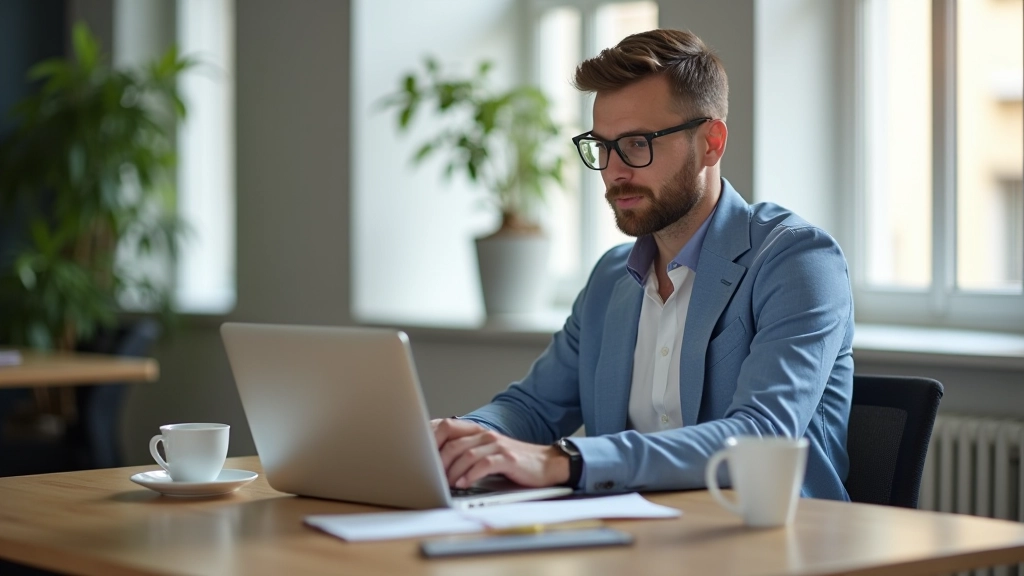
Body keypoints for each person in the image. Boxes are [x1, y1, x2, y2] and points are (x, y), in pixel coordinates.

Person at [431, 28, 854, 501]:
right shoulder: (611, 279)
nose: (614, 170)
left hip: (775, 548)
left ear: (711, 143)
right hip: (633, 540)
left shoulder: (797, 261)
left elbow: (760, 436)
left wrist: (566, 461)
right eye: (602, 146)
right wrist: (457, 438)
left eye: (636, 143)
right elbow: (532, 409)